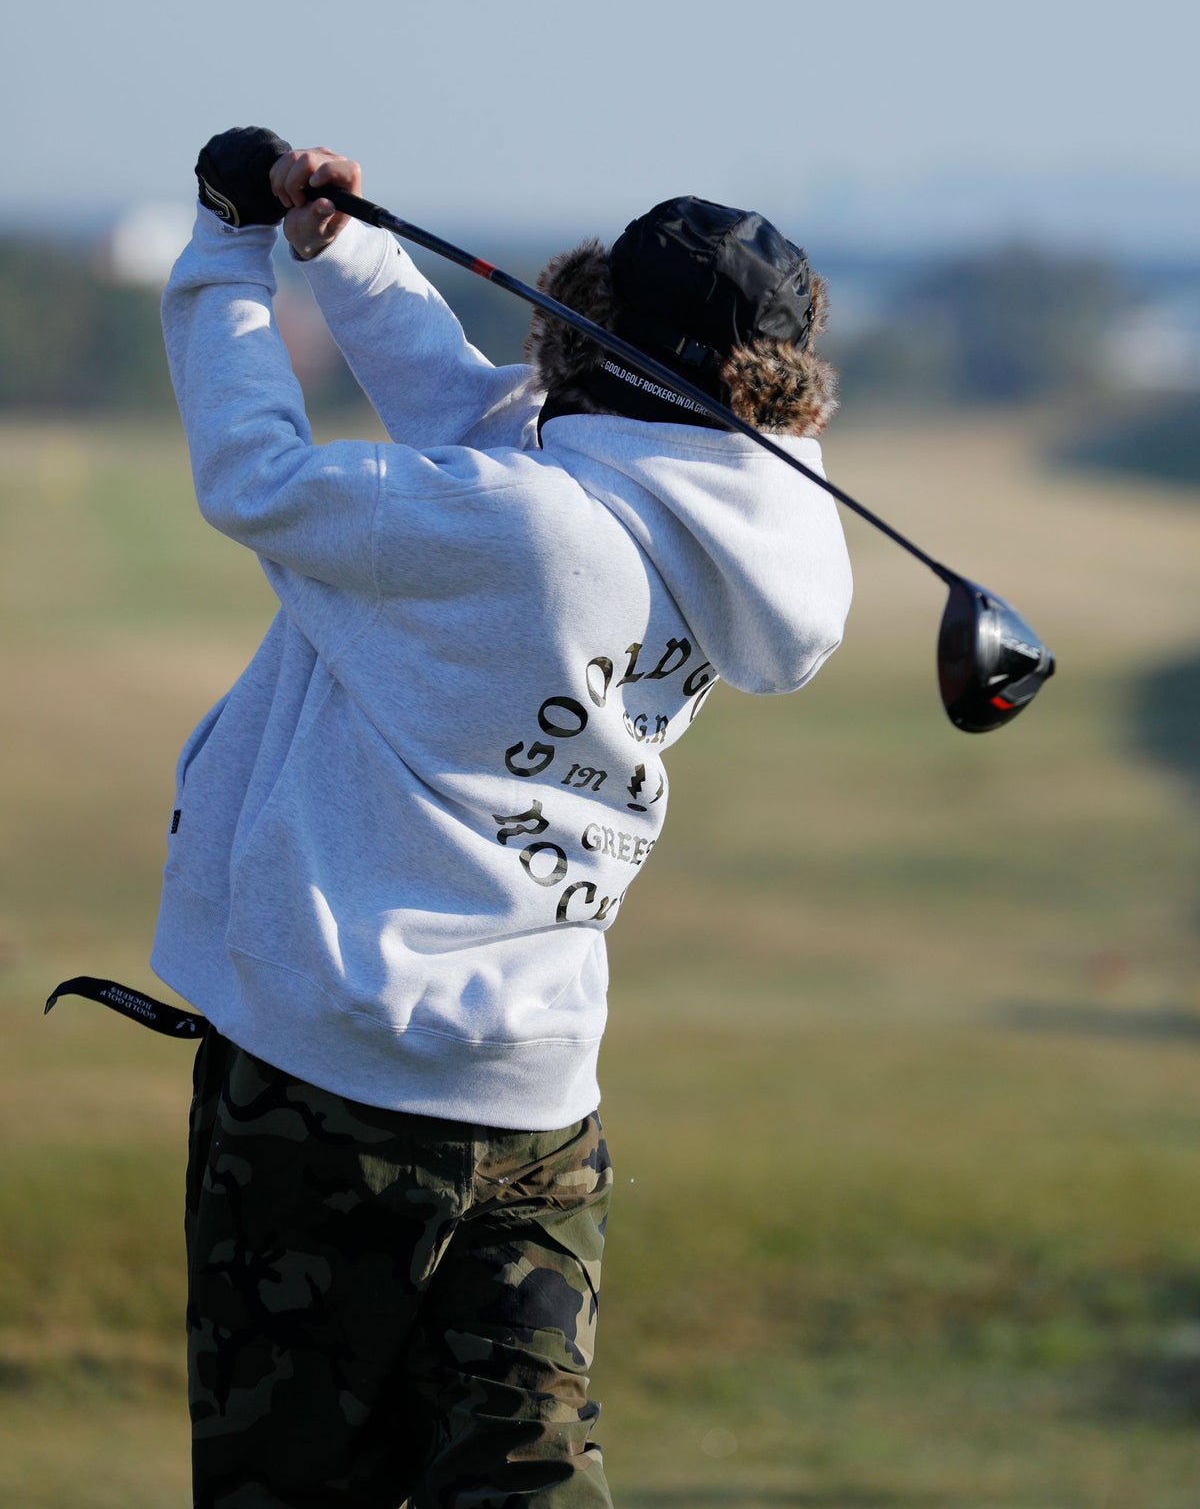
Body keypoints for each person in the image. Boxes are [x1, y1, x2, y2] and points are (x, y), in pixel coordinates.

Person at [158, 127, 852, 1508]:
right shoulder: (735, 530)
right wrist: (342, 251)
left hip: (338, 1088)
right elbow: (480, 414)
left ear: (590, 330)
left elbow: (254, 473)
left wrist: (227, 250)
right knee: (521, 1484)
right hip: (538, 1104)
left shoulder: (528, 528)